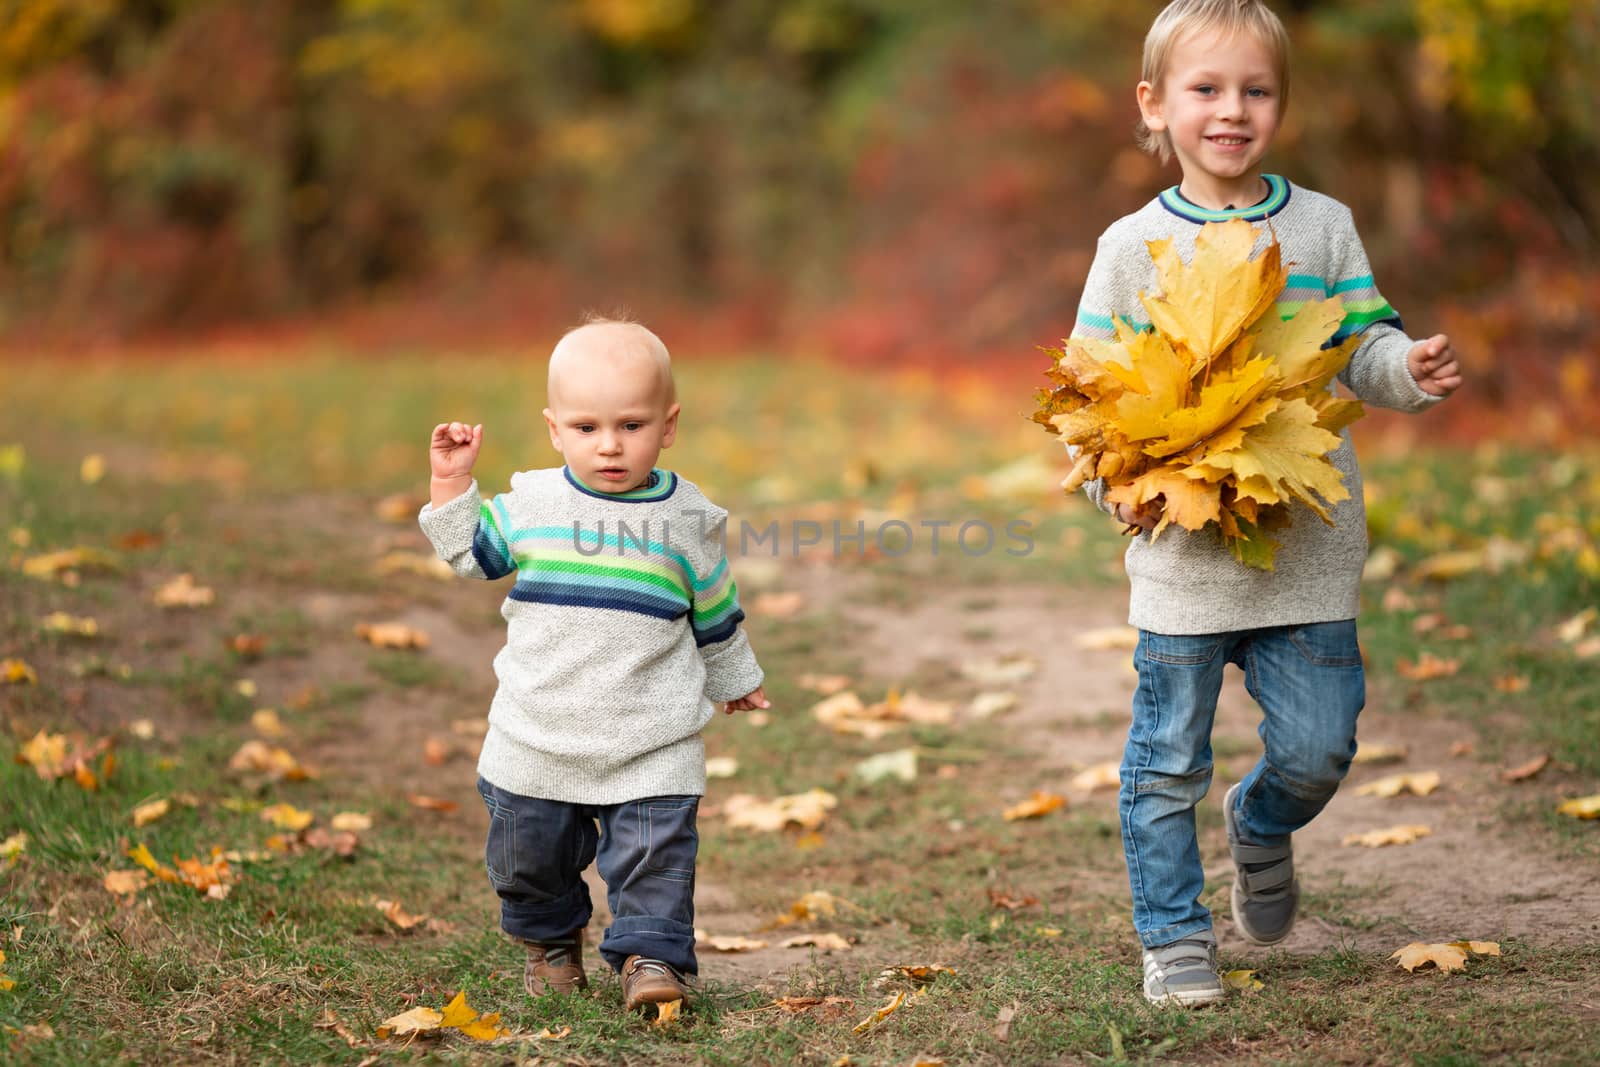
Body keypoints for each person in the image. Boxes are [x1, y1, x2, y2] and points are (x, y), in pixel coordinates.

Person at [1070, 0, 1463, 1007]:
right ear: (1154, 105)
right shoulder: (1130, 245)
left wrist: (1404, 366)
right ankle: (1173, 935)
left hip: (1307, 548)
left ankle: (1259, 823)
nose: (1231, 110)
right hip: (1183, 558)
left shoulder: (1322, 225)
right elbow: (1093, 391)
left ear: (1280, 104)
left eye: (1255, 90)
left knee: (1318, 745)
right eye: (1205, 89)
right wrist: (1121, 485)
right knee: (1163, 761)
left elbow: (1360, 347)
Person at [418, 317, 770, 1011]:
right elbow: (473, 557)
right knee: (529, 860)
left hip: (651, 738)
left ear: (668, 425)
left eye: (632, 425)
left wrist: (736, 679)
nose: (610, 444)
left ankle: (649, 956)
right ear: (555, 429)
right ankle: (552, 943)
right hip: (538, 732)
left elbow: (716, 610)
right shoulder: (535, 504)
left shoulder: (686, 518)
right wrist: (452, 485)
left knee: (656, 856)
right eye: (586, 428)